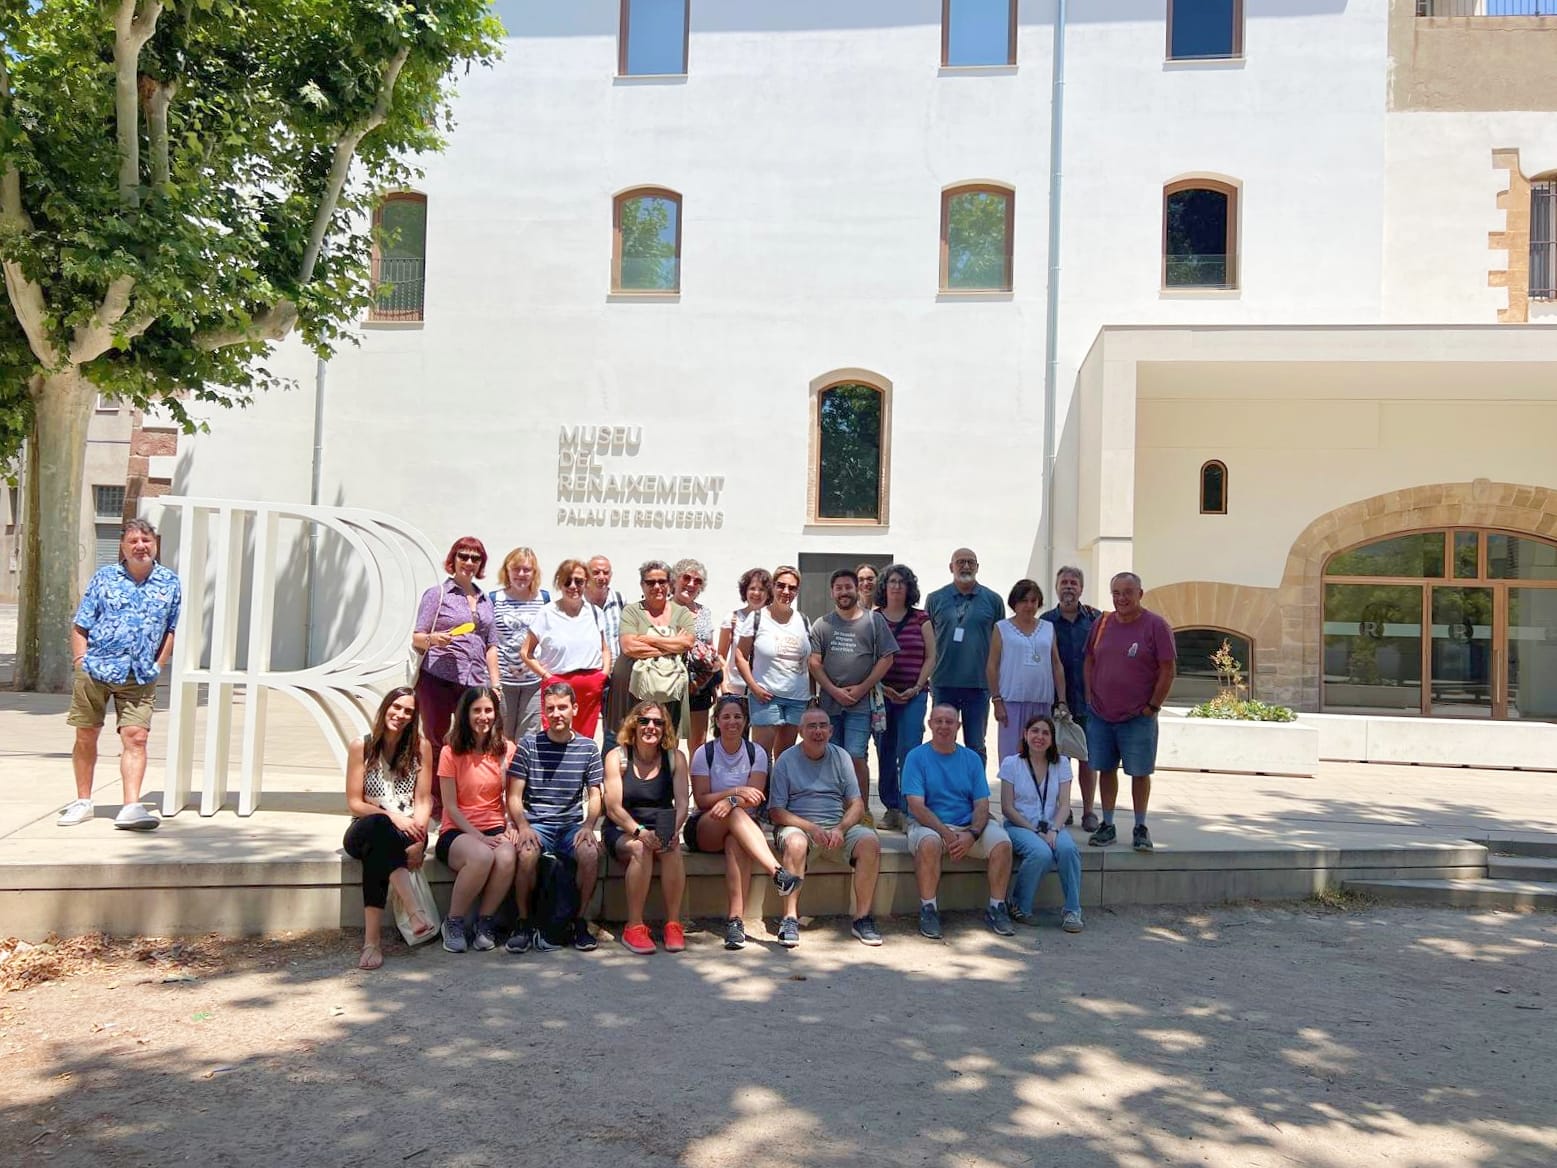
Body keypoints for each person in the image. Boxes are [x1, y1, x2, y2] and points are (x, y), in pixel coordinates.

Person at [59, 518, 182, 831]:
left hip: (139, 675)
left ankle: (131, 807)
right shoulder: (104, 578)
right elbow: (81, 624)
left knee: (136, 737)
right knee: (86, 734)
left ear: (155, 544)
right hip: (96, 670)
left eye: (146, 540)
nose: (141, 546)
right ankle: (83, 801)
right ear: (123, 547)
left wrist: (159, 664)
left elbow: (171, 628)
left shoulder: (170, 582)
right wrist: (80, 661)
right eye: (133, 541)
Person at [686, 694, 802, 949]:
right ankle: (777, 872)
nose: (732, 722)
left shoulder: (755, 752)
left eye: (738, 717)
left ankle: (735, 922)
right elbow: (702, 800)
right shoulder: (704, 753)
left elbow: (756, 797)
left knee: (736, 840)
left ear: (746, 721)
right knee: (735, 812)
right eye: (726, 717)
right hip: (706, 824)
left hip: (741, 829)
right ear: (717, 721)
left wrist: (733, 801)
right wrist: (735, 794)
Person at [767, 704, 883, 947]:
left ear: (831, 731)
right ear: (800, 731)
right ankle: (789, 918)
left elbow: (857, 804)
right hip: (799, 826)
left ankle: (862, 918)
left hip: (836, 827)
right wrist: (811, 828)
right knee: (796, 843)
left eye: (822, 726)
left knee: (869, 841)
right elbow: (776, 811)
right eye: (811, 726)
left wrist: (841, 828)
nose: (818, 731)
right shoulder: (786, 760)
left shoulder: (842, 757)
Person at [507, 681, 605, 953]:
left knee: (590, 853)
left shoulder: (588, 748)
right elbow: (513, 795)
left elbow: (595, 795)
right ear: (544, 712)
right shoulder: (528, 746)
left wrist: (589, 825)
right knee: (526, 853)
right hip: (537, 824)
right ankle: (523, 922)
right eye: (550, 708)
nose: (556, 713)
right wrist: (523, 826)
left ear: (575, 709)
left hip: (571, 825)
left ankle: (579, 922)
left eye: (562, 707)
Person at [902, 704, 1016, 940]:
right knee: (929, 843)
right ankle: (928, 909)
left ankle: (997, 907)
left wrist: (972, 834)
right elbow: (917, 806)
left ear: (958, 726)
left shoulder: (971, 759)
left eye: (949, 722)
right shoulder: (916, 757)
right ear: (930, 724)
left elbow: (982, 804)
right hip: (930, 826)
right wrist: (947, 834)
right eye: (939, 721)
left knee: (1003, 843)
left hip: (968, 828)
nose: (944, 726)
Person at [343, 687, 437, 969]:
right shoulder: (362, 746)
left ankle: (372, 944)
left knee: (379, 853)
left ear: (414, 717)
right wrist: (392, 816)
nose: (401, 714)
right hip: (365, 826)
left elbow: (423, 800)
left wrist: (419, 837)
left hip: (408, 830)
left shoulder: (421, 747)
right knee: (380, 827)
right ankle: (414, 910)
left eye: (408, 711)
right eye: (396, 707)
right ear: (385, 708)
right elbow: (355, 803)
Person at [1084, 572, 1176, 853]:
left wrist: (1153, 707)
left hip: (1138, 717)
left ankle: (1140, 826)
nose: (1121, 598)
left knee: (1139, 772)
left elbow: (1168, 670)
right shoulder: (1102, 623)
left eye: (1127, 592)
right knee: (1105, 769)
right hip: (1101, 714)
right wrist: (1089, 696)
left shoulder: (1156, 626)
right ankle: (1107, 823)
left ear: (1140, 594)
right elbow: (1089, 659)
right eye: (1116, 593)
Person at [807, 568, 897, 824]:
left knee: (856, 756)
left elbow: (887, 658)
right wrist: (833, 690)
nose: (844, 592)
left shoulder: (874, 621)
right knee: (831, 756)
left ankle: (862, 811)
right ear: (832, 592)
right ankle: (835, 810)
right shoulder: (822, 624)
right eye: (839, 588)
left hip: (861, 703)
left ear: (857, 589)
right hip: (829, 703)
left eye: (848, 587)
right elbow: (814, 662)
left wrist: (861, 688)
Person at [434, 686, 518, 954]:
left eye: (488, 710)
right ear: (465, 714)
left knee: (507, 856)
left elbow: (513, 796)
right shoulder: (450, 752)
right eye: (477, 710)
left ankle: (485, 922)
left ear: (496, 714)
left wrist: (512, 825)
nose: (483, 716)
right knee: (482, 856)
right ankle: (453, 922)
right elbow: (450, 806)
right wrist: (478, 836)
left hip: (495, 826)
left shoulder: (506, 749)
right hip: (458, 830)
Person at [603, 701, 690, 955]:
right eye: (644, 721)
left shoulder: (675, 758)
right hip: (624, 829)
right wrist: (640, 832)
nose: (651, 727)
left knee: (673, 849)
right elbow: (613, 808)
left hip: (661, 826)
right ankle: (634, 926)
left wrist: (672, 832)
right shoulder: (617, 757)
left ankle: (673, 923)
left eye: (658, 723)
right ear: (634, 724)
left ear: (665, 728)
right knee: (641, 849)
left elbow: (683, 804)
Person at [411, 537, 500, 767]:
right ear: (454, 559)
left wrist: (495, 685)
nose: (469, 562)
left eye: (475, 558)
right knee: (436, 740)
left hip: (473, 681)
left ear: (481, 564)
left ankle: (462, 786)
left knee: (470, 739)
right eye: (464, 556)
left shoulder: (485, 600)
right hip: (437, 677)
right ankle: (432, 788)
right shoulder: (438, 594)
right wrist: (433, 639)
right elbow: (417, 636)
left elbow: (491, 645)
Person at [999, 714, 1084, 934]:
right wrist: (1035, 831)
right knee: (1041, 853)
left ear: (1052, 739)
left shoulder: (1062, 764)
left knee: (1068, 849)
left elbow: (1064, 805)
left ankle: (1073, 910)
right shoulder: (1011, 764)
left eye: (1046, 733)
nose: (1040, 737)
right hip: (1019, 826)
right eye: (1035, 731)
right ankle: (1019, 905)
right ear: (1025, 734)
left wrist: (1054, 829)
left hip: (1052, 825)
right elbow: (1007, 807)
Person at [925, 548, 1005, 765]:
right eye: (960, 562)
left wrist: (997, 688)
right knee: (942, 741)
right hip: (943, 683)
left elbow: (1000, 645)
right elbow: (926, 641)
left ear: (978, 567)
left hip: (978, 685)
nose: (966, 566)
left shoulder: (993, 600)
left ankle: (975, 786)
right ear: (951, 567)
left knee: (975, 745)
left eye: (971, 562)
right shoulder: (935, 599)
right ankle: (942, 784)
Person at [874, 563, 936, 834]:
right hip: (882, 696)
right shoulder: (874, 618)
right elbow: (868, 656)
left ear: (909, 587)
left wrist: (918, 686)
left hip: (914, 695)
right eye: (892, 581)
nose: (897, 586)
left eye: (902, 582)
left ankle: (909, 808)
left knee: (910, 750)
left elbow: (931, 656)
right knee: (885, 751)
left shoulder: (922, 618)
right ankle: (892, 808)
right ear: (884, 587)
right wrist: (881, 686)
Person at [520, 558, 610, 738]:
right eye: (567, 581)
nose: (573, 586)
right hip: (557, 686)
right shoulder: (546, 613)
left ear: (586, 583)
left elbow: (604, 649)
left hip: (590, 686)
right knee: (556, 737)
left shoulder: (595, 613)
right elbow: (525, 652)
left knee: (584, 740)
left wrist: (603, 674)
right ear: (559, 583)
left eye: (579, 581)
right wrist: (547, 677)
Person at [1042, 565, 1102, 830]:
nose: (1068, 587)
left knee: (1088, 758)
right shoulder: (1045, 621)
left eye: (1073, 583)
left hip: (1089, 701)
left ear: (1081, 588)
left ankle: (1089, 812)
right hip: (1055, 701)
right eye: (1064, 582)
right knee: (1059, 758)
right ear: (1056, 588)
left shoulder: (1096, 620)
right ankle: (1062, 809)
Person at [735, 564, 811, 764]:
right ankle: (761, 787)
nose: (786, 591)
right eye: (781, 585)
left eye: (792, 588)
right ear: (773, 587)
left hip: (797, 699)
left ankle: (780, 787)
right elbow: (740, 655)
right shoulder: (757, 618)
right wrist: (754, 687)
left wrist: (812, 696)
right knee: (761, 758)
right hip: (766, 698)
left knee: (786, 759)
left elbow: (809, 661)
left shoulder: (803, 620)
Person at [987, 579, 1067, 764]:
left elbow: (1056, 664)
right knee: (1011, 758)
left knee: (1040, 758)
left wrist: (1062, 701)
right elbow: (992, 665)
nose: (1029, 605)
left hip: (1041, 703)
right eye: (1024, 600)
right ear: (1014, 602)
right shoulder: (1002, 628)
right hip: (1011, 704)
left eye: (1033, 600)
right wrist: (997, 701)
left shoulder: (1048, 628)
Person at [618, 559, 696, 740]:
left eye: (662, 582)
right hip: (637, 692)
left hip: (672, 692)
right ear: (642, 585)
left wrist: (648, 639)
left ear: (670, 584)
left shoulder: (682, 612)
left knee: (669, 743)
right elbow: (629, 646)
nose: (657, 587)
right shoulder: (631, 611)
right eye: (650, 582)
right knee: (636, 741)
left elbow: (687, 643)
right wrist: (672, 645)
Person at [491, 546, 550, 741]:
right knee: (500, 737)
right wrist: (494, 682)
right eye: (516, 569)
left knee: (528, 738)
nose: (521, 574)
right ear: (507, 570)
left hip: (533, 683)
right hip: (503, 682)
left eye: (527, 569)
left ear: (534, 572)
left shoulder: (544, 599)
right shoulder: (494, 599)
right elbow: (489, 642)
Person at [673, 557, 719, 750]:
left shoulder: (704, 612)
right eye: (686, 578)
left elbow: (710, 646)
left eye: (697, 581)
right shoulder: (663, 609)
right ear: (675, 579)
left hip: (699, 685)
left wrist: (714, 683)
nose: (691, 584)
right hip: (670, 682)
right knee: (669, 742)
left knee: (698, 744)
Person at [587, 555, 627, 755]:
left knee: (614, 733)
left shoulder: (620, 600)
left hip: (615, 678)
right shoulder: (580, 603)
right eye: (596, 572)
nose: (601, 577)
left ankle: (608, 771)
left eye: (606, 572)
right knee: (583, 729)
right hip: (588, 676)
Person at [718, 567, 771, 704]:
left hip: (765, 691)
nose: (756, 593)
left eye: (761, 589)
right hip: (736, 690)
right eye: (752, 588)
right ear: (745, 591)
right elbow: (721, 656)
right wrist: (724, 686)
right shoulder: (732, 619)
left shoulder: (773, 621)